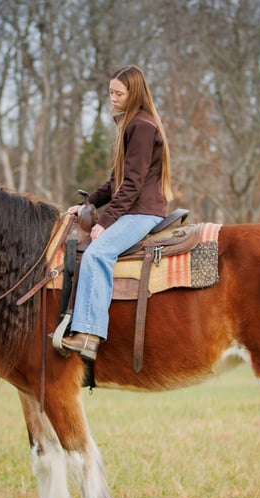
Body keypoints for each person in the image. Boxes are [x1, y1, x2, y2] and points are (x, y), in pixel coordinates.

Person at [62, 65, 172, 361]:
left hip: (143, 212)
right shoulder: (130, 124)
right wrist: (89, 205)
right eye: (110, 92)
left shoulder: (142, 127)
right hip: (133, 209)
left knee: (98, 253)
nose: (112, 98)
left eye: (118, 93)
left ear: (133, 93)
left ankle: (88, 334)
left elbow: (133, 184)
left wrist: (106, 221)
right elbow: (115, 182)